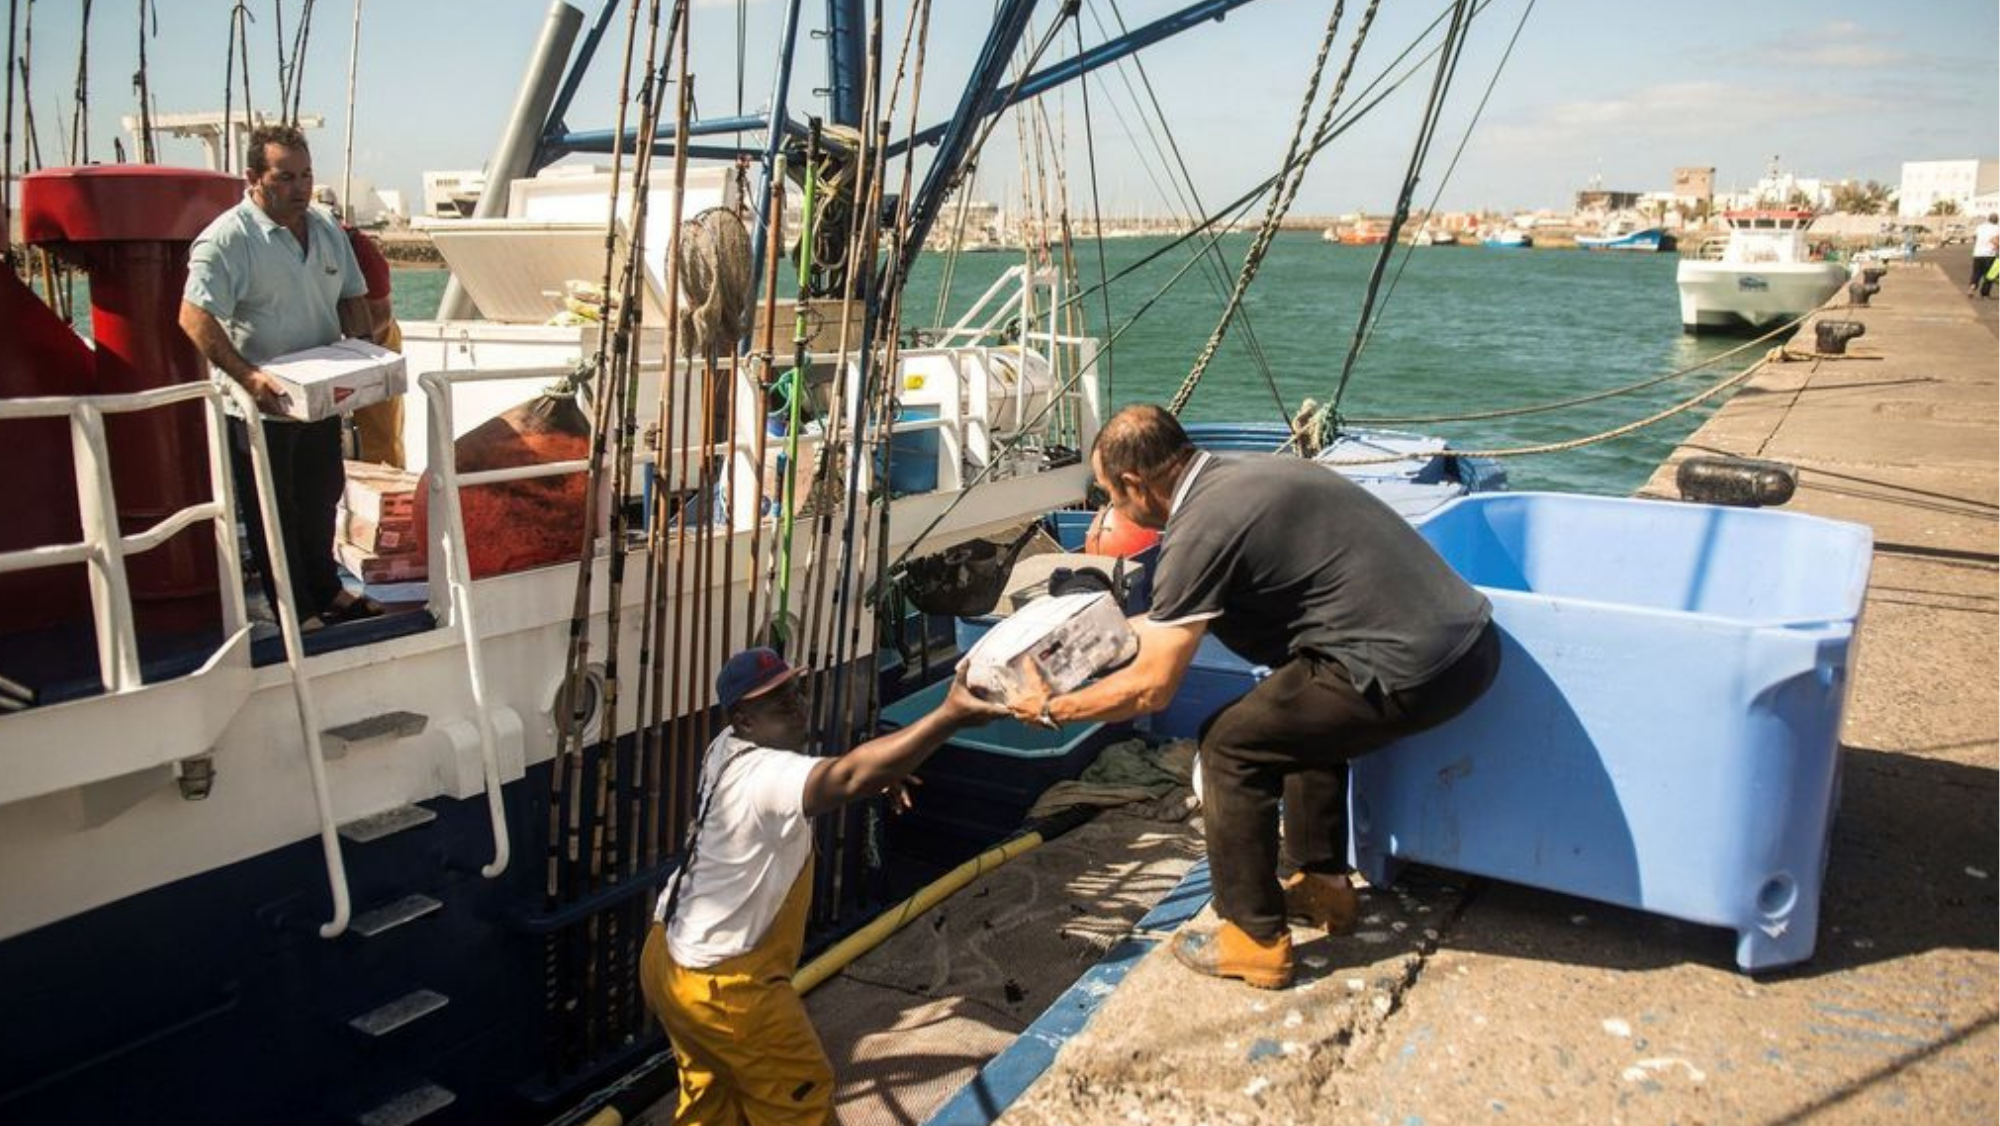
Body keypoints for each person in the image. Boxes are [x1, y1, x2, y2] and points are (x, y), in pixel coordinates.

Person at [1004, 404, 1501, 990]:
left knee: (1231, 744)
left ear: (1135, 483)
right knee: (1294, 716)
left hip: (1408, 669)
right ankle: (1325, 888)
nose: (1114, 508)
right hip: (1466, 645)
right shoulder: (1243, 479)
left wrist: (1051, 708)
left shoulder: (1199, 530)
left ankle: (1253, 938)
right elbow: (1159, 627)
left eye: (1111, 495)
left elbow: (1153, 685)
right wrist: (1063, 660)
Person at [640, 648, 1002, 1125]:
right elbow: (849, 774)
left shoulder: (726, 747)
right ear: (744, 718)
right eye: (776, 700)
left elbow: (833, 775)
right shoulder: (761, 776)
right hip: (725, 986)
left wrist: (881, 773)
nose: (795, 705)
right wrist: (949, 716)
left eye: (796, 690)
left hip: (667, 962)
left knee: (710, 1102)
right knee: (802, 1104)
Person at [179, 123, 382, 629]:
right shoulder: (228, 239)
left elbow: (352, 300)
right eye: (285, 177)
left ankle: (329, 591)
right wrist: (249, 379)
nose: (301, 187)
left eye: (306, 175)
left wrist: (365, 358)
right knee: (275, 508)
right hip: (261, 405)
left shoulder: (326, 228)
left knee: (323, 493)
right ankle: (297, 610)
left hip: (319, 397)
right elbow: (193, 317)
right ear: (253, 178)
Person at [342, 222, 406, 467]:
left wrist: (350, 349)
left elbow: (380, 313)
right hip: (325, 346)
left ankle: (387, 492)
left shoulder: (353, 245)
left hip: (373, 342)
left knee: (381, 436)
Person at [1970, 213, 1999, 298]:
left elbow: (1975, 237)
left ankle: (1972, 288)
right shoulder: (1997, 228)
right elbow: (1995, 241)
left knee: (1976, 273)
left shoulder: (1980, 227)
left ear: (1988, 219)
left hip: (1977, 253)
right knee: (1989, 274)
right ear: (1997, 220)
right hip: (1989, 254)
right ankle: (1985, 293)